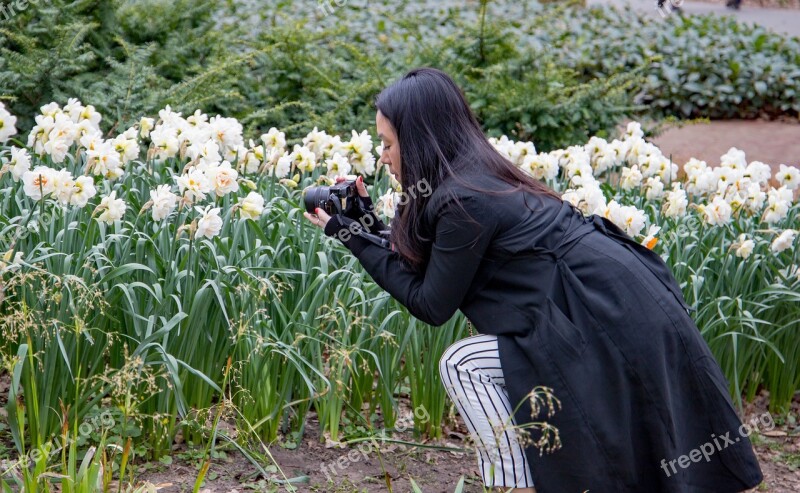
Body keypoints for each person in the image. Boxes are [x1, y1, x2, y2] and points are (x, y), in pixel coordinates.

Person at [304, 67, 764, 492]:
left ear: (420, 139)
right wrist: (365, 227)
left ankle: (513, 487)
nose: (382, 157)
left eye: (387, 143)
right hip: (614, 298)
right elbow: (433, 262)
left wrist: (351, 237)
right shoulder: (473, 176)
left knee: (462, 363)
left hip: (604, 314)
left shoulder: (463, 199)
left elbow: (431, 304)